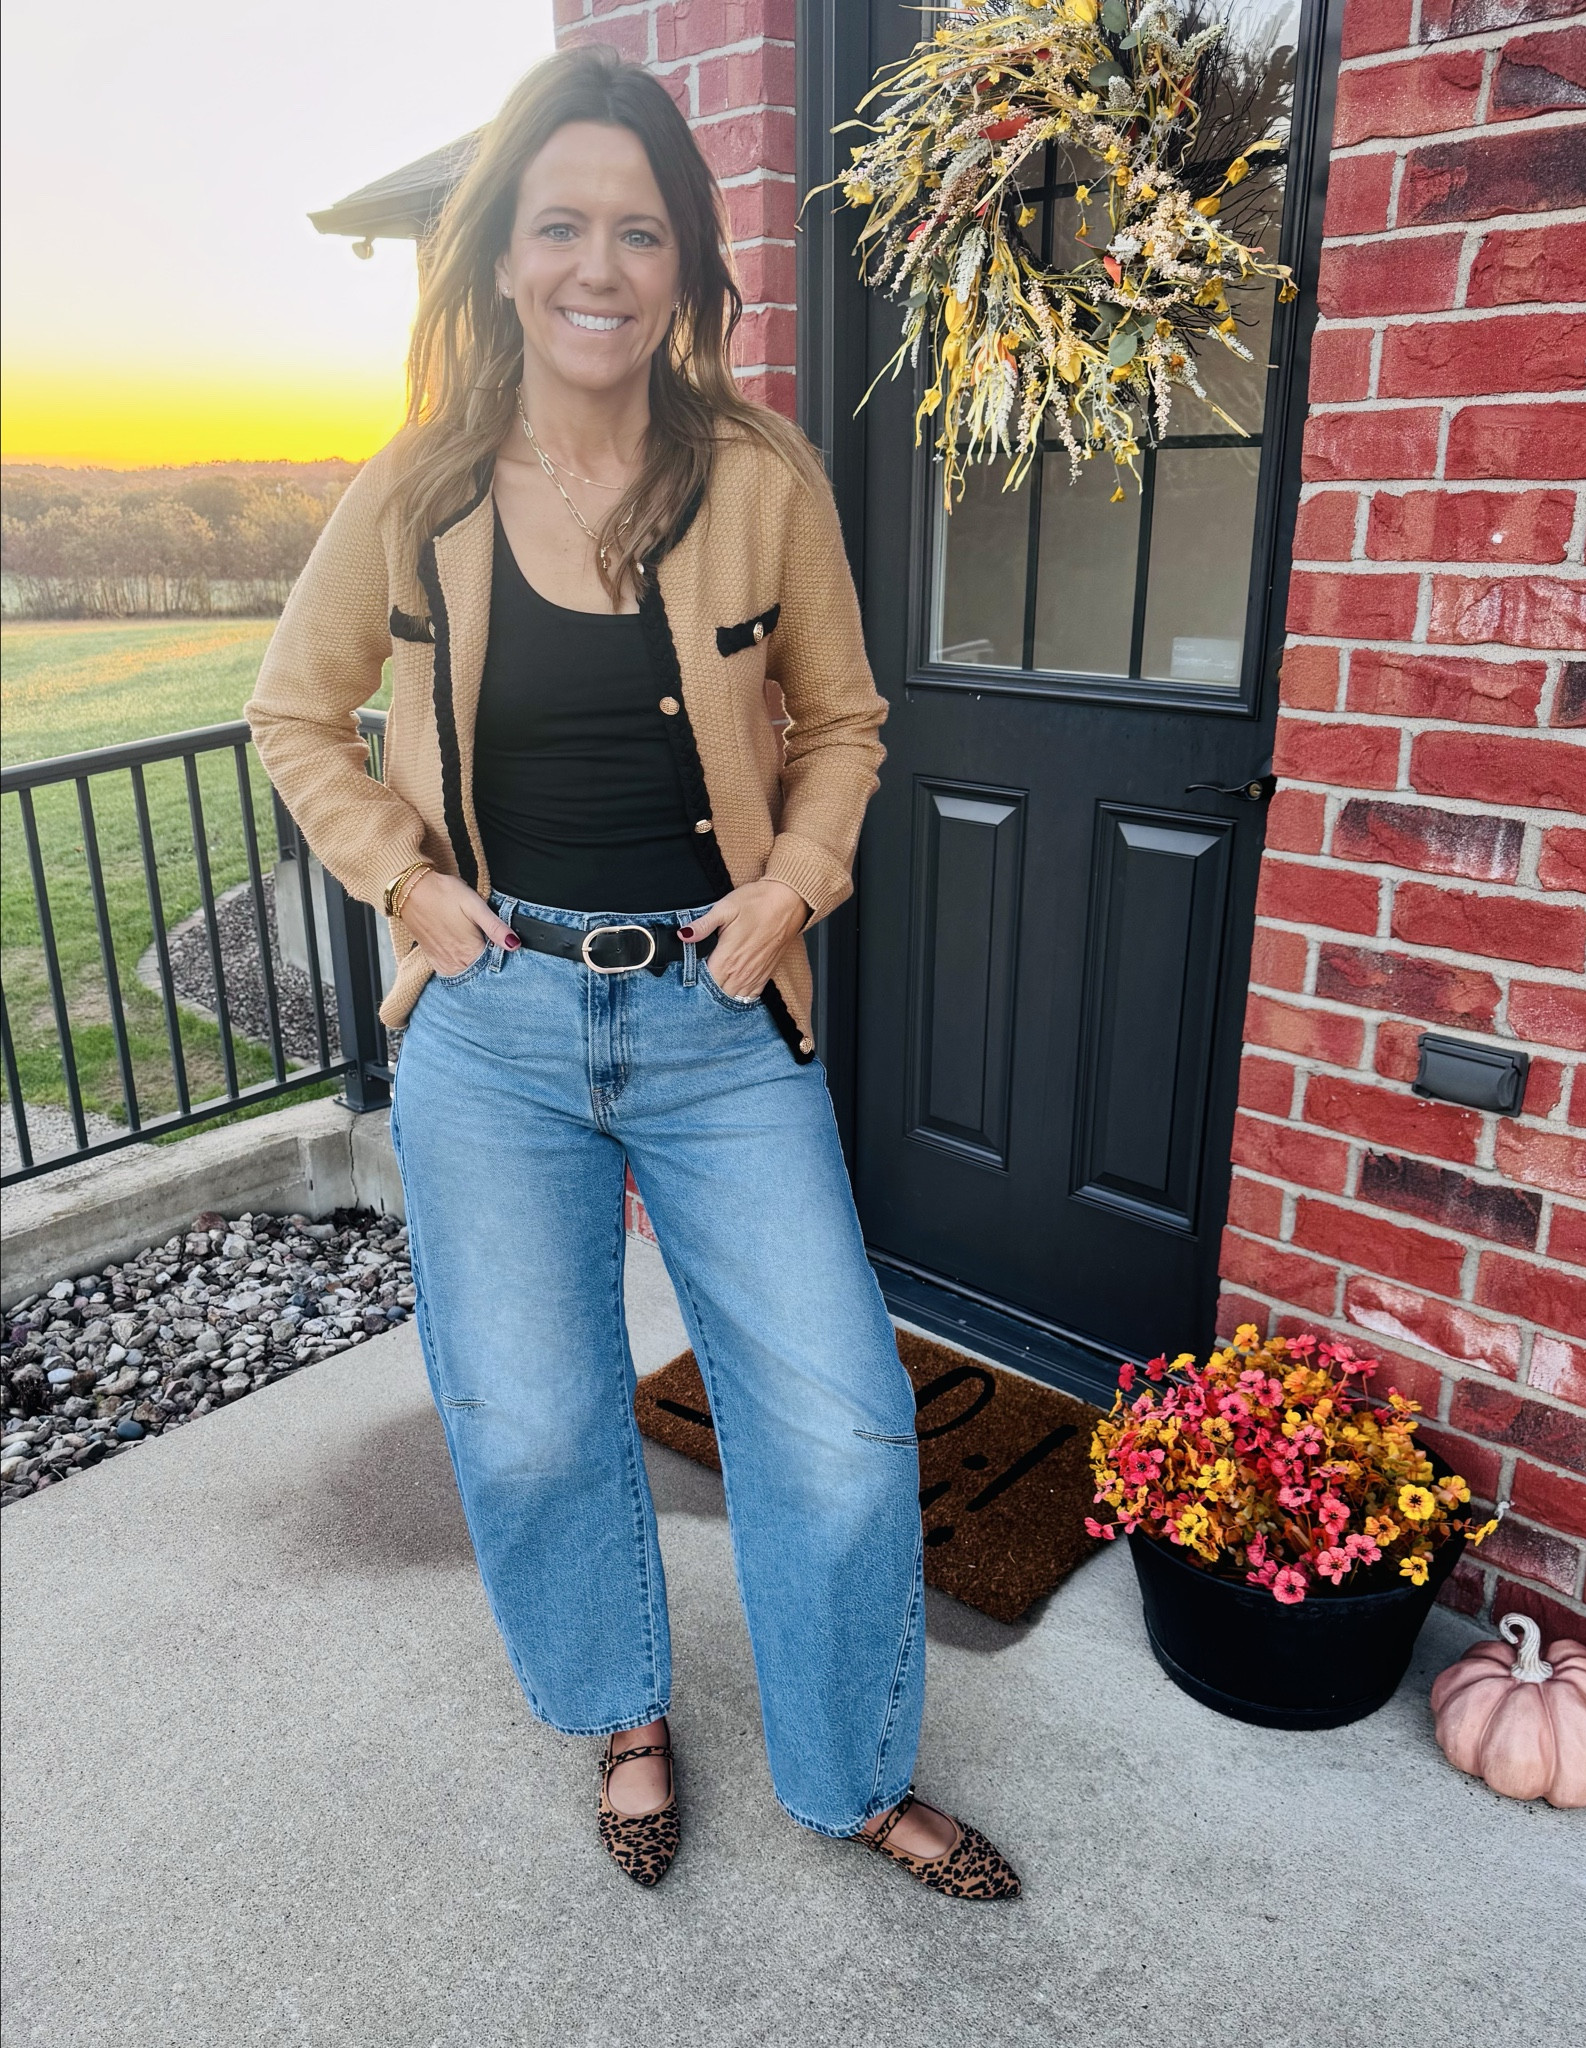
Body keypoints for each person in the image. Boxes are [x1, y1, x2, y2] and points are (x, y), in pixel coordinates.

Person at [247, 44, 1018, 1901]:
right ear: (504, 257)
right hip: (493, 1026)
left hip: (714, 1016)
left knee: (833, 1428)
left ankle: (846, 1774)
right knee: (529, 1419)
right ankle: (621, 1711)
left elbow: (840, 720)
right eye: (561, 226)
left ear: (683, 266)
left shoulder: (758, 475)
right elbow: (293, 715)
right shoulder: (418, 487)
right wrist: (405, 889)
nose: (600, 265)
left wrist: (801, 881)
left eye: (639, 232)